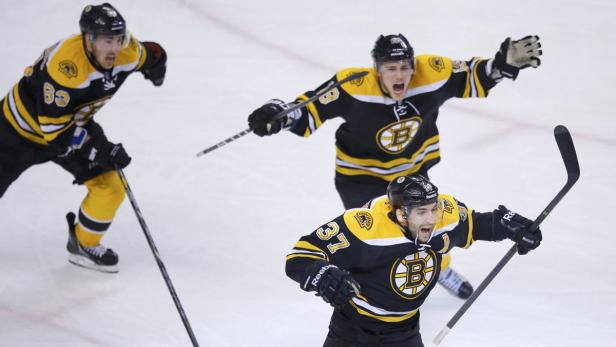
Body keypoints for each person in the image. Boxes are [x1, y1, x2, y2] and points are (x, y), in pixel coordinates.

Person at [249, 33, 542, 298]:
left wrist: (503, 63)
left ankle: (438, 269)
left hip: (412, 172)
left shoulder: (432, 72)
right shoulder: (353, 85)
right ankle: (375, 282)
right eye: (390, 68)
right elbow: (308, 110)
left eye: (404, 67)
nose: (399, 75)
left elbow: (474, 77)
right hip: (361, 176)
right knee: (376, 231)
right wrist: (278, 114)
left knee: (431, 221)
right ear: (377, 71)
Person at [0, 3, 167, 273]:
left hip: (71, 125)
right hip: (14, 132)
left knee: (111, 186)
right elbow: (55, 133)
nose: (113, 48)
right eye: (105, 40)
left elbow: (152, 53)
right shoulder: (66, 67)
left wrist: (157, 65)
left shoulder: (128, 52)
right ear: (89, 40)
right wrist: (99, 148)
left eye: (118, 39)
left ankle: (83, 244)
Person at [285, 174, 542, 346]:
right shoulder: (364, 226)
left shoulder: (445, 215)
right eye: (421, 212)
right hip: (354, 331)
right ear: (401, 215)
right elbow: (301, 255)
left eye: (433, 209)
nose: (431, 219)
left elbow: (477, 224)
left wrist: (511, 227)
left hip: (405, 331)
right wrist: (323, 275)